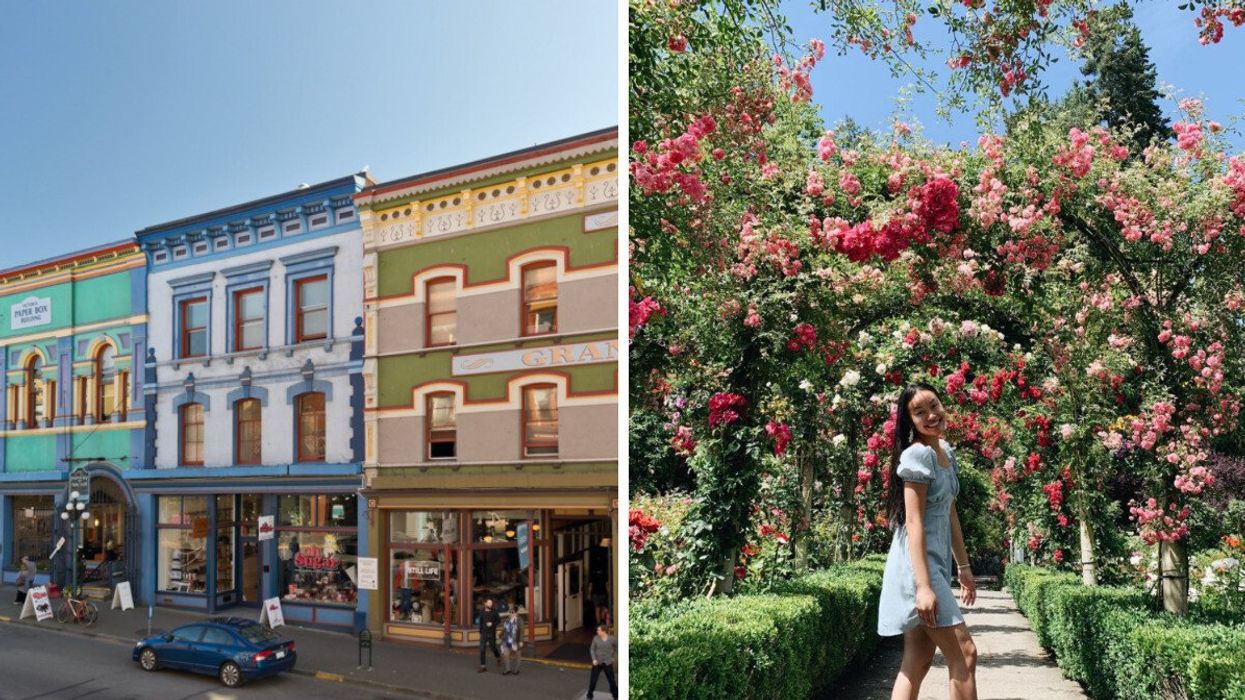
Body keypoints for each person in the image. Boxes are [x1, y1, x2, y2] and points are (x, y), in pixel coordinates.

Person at [877, 383, 979, 700]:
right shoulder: (917, 455)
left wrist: (963, 566)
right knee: (964, 653)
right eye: (920, 412)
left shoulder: (944, 452)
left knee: (918, 660)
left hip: (933, 564)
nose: (931, 415)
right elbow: (915, 521)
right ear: (909, 422)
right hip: (916, 568)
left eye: (933, 405)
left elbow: (950, 514)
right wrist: (923, 586)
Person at [587, 624, 618, 699]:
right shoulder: (595, 638)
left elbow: (618, 647)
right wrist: (594, 659)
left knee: (611, 680)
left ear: (603, 631)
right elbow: (592, 649)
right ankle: (590, 694)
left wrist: (613, 657)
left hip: (608, 662)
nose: (597, 631)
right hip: (597, 662)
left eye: (598, 630)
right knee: (593, 680)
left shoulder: (612, 639)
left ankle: (615, 694)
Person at [477, 597, 502, 672]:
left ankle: (498, 658)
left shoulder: (494, 612)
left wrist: (492, 623)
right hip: (483, 634)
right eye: (489, 603)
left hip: (491, 634)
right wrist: (480, 631)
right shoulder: (481, 612)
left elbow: (499, 621)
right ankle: (483, 666)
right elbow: (481, 622)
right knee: (482, 650)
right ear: (485, 603)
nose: (490, 604)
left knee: (493, 648)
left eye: (491, 603)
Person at [500, 610, 524, 675]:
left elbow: (521, 631)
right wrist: (501, 635)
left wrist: (521, 641)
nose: (511, 614)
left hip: (516, 640)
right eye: (510, 612)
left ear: (516, 613)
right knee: (505, 654)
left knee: (518, 655)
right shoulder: (507, 620)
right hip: (506, 639)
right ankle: (508, 669)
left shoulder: (519, 620)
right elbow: (504, 629)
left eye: (513, 612)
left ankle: (516, 669)